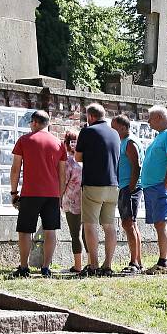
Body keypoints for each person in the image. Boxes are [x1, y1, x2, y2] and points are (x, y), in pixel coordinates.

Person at [8, 110, 66, 279]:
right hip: (52, 194)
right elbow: (62, 174)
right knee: (50, 230)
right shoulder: (58, 143)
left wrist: (13, 192)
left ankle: (24, 267)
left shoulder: (24, 140)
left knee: (25, 231)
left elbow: (15, 169)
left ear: (34, 122)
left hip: (30, 192)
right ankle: (46, 268)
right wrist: (60, 195)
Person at [75, 103, 120, 277]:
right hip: (113, 186)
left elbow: (77, 157)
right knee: (109, 226)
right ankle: (107, 265)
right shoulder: (115, 133)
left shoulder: (87, 131)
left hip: (93, 184)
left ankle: (93, 264)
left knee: (90, 224)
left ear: (91, 117)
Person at [141, 105, 167, 274]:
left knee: (161, 223)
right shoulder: (160, 136)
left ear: (159, 117)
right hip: (153, 187)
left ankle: (163, 262)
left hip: (160, 187)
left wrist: (165, 185)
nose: (148, 122)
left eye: (150, 118)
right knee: (159, 224)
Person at [111, 115, 144, 274]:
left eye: (114, 127)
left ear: (123, 128)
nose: (112, 130)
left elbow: (136, 166)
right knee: (131, 224)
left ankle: (134, 262)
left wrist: (130, 188)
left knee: (128, 224)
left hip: (129, 188)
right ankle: (137, 261)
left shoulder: (130, 142)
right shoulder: (124, 142)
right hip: (125, 187)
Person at [61, 130, 85, 274]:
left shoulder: (68, 162)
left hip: (71, 201)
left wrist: (59, 197)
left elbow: (63, 182)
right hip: (87, 200)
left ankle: (78, 265)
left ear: (66, 143)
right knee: (87, 233)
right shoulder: (85, 160)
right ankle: (91, 263)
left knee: (75, 234)